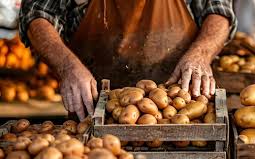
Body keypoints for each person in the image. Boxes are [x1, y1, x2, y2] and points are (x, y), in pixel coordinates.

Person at [19, 0, 237, 120]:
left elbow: (218, 10)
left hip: (181, 110)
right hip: (95, 111)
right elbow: (37, 14)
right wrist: (68, 66)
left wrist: (200, 54)